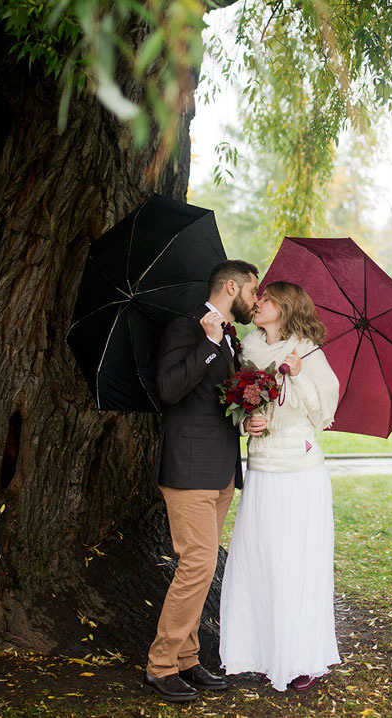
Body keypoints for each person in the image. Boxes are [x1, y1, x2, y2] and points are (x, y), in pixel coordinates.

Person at [143, 259, 266, 703]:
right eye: (254, 290)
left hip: (219, 471)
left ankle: (187, 660)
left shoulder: (233, 339)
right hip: (188, 467)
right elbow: (170, 389)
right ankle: (161, 665)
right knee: (198, 565)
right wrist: (210, 344)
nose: (258, 299)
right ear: (231, 287)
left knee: (202, 565)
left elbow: (217, 402)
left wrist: (247, 416)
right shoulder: (187, 328)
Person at [219, 281, 341, 692]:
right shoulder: (249, 350)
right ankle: (259, 651)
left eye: (266, 299)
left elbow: (325, 412)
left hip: (300, 471)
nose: (258, 303)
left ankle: (301, 655)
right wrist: (246, 421)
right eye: (259, 298)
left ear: (285, 308)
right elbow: (236, 404)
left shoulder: (308, 351)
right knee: (261, 562)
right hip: (263, 471)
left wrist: (301, 375)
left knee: (296, 564)